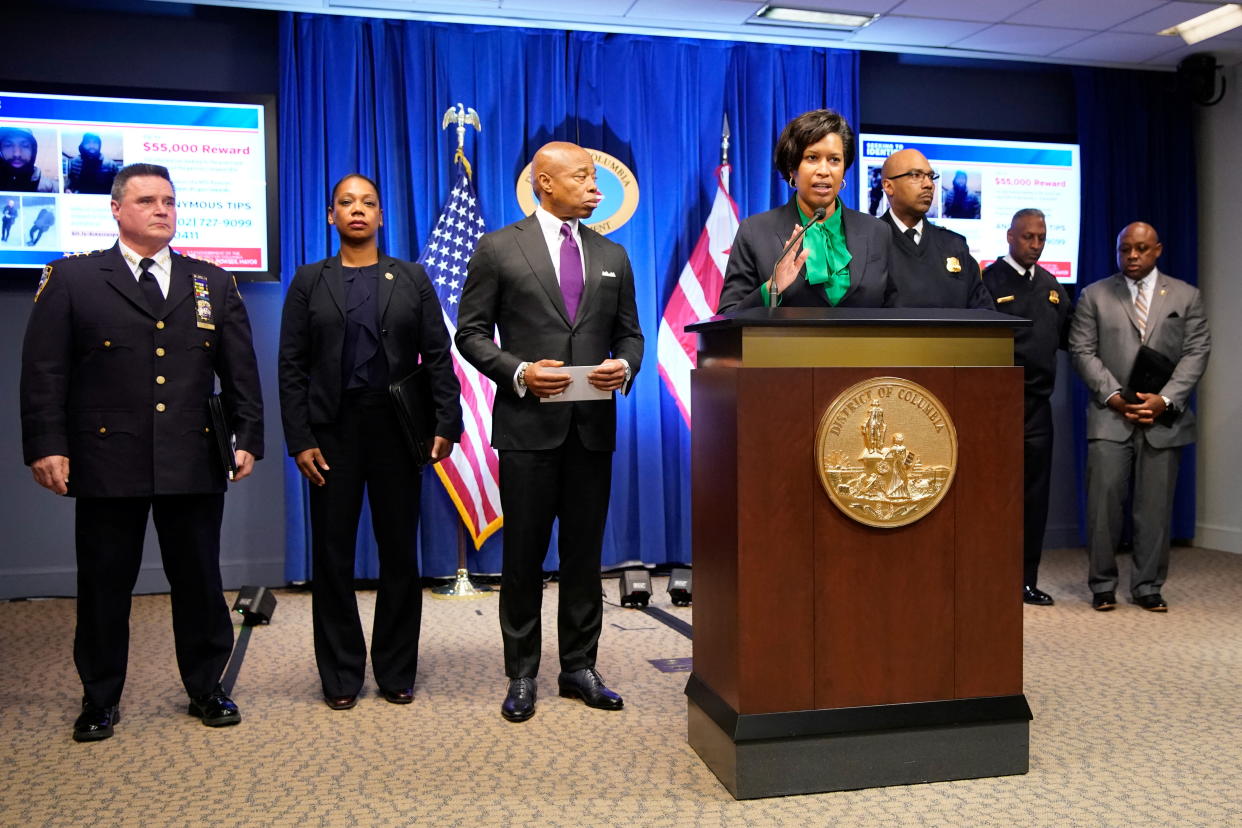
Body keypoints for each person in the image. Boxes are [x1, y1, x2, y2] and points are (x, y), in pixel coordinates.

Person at [19, 162, 263, 742]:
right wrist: (46, 444)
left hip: (192, 455)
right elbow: (44, 372)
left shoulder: (211, 282)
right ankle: (99, 699)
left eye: (170, 201)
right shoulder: (73, 279)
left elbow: (239, 372)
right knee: (105, 585)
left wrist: (247, 435)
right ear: (116, 209)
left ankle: (208, 687)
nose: (163, 210)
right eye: (149, 200)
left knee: (200, 581)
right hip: (107, 459)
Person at [456, 141, 644, 723]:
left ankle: (579, 668)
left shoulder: (613, 253)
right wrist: (518, 371)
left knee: (584, 557)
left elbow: (631, 336)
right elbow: (470, 334)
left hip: (592, 431)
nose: (596, 188)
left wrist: (626, 366)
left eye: (596, 179)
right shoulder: (498, 248)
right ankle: (521, 673)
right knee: (524, 559)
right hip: (526, 431)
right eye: (584, 178)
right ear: (545, 182)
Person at [278, 173, 462, 710]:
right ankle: (340, 675)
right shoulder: (309, 281)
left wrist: (446, 423)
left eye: (368, 203)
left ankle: (396, 669)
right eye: (346, 202)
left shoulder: (412, 277)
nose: (357, 210)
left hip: (397, 430)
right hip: (331, 433)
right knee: (332, 557)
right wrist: (299, 438)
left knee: (400, 554)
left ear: (381, 216)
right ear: (331, 215)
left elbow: (438, 356)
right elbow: (291, 366)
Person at [1069, 222, 1210, 612]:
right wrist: (1113, 396)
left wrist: (1164, 400)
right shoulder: (1094, 295)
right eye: (1125, 249)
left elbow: (1197, 352)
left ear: (1158, 250)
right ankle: (1102, 585)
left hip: (1164, 419)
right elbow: (1081, 351)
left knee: (1155, 509)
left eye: (1142, 249)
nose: (1132, 256)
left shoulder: (1186, 296)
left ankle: (1148, 586)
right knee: (1103, 507)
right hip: (1109, 417)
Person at [716, 109, 892, 312]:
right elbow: (728, 315)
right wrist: (772, 288)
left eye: (834, 160)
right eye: (812, 158)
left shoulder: (878, 231)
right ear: (792, 168)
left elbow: (894, 309)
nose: (824, 171)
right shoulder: (755, 232)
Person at [982, 209, 1071, 606]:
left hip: (1037, 407)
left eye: (1041, 238)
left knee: (1034, 497)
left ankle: (1025, 580)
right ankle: (988, 578)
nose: (1035, 245)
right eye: (1027, 237)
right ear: (1009, 237)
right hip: (997, 404)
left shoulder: (1053, 286)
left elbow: (1067, 338)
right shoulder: (988, 280)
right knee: (992, 496)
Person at [880, 149, 993, 309]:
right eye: (916, 175)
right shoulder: (869, 242)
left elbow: (984, 314)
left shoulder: (955, 246)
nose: (928, 185)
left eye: (930, 176)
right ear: (888, 186)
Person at [0, 127, 54, 192]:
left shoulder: (52, 188)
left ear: (33, 150)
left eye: (25, 145)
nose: (17, 154)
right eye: (8, 145)